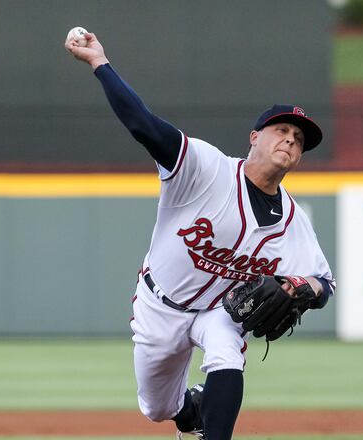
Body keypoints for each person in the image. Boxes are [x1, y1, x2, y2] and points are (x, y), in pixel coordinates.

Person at [65, 31, 335, 440]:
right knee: (158, 407)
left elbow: (324, 282)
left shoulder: (293, 219)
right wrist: (100, 64)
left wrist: (303, 286)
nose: (290, 141)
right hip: (162, 303)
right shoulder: (205, 168)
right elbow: (144, 125)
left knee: (227, 351)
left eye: (298, 140)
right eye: (282, 130)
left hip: (219, 309)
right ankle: (191, 410)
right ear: (254, 137)